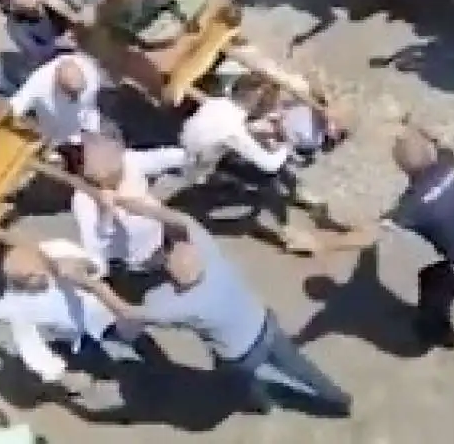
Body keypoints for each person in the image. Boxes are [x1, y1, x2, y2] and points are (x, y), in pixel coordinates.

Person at [103, 216, 352, 417]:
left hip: (240, 355)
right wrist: (146, 207)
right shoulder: (212, 258)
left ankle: (261, 404)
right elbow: (187, 221)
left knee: (238, 383)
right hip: (266, 326)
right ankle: (338, 398)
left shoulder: (178, 304)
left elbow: (127, 312)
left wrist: (93, 285)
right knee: (301, 367)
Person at [321, 123, 454, 351]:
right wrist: (412, 127)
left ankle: (438, 334)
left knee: (432, 280)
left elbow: (370, 235)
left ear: (404, 170)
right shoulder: (449, 162)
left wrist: (322, 243)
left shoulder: (413, 205)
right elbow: (435, 140)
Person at [180, 74, 316, 252]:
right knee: (269, 178)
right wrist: (287, 143)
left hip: (197, 150)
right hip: (202, 169)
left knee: (264, 149)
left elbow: (243, 128)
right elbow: (269, 164)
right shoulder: (233, 130)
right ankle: (286, 232)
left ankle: (294, 196)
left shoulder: (219, 102)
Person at [0, 236, 137, 388]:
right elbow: (29, 343)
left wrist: (82, 266)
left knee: (131, 342)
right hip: (77, 338)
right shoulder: (16, 303)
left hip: (106, 314)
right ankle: (113, 372)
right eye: (26, 279)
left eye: (36, 269)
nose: (38, 276)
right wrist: (55, 371)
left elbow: (99, 267)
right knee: (103, 361)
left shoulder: (57, 250)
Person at [72, 133, 188, 274]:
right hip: (136, 261)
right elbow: (96, 247)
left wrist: (191, 154)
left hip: (161, 233)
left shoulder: (129, 160)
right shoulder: (83, 199)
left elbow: (163, 158)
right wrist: (105, 214)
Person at [9, 52, 103, 145]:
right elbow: (14, 108)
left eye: (78, 93)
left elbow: (91, 104)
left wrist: (92, 130)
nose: (74, 98)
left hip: (79, 133)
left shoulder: (91, 75)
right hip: (47, 137)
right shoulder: (39, 83)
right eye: (70, 93)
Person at [4, 0, 69, 81]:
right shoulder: (15, 26)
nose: (39, 10)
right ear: (14, 6)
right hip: (53, 62)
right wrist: (58, 43)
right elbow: (35, 53)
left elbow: (76, 11)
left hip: (74, 40)